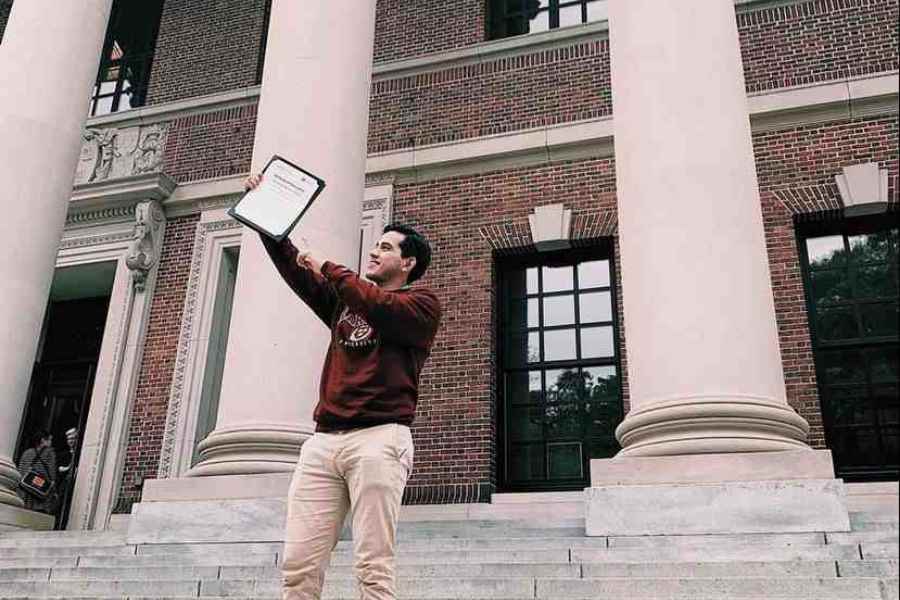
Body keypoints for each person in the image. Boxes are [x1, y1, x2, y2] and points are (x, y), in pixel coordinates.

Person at [245, 174, 442, 600]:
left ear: (407, 263)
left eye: (386, 247)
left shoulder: (420, 305)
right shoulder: (344, 301)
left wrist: (329, 267)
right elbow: (293, 265)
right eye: (376, 245)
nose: (374, 251)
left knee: (373, 566)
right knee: (298, 565)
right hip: (323, 444)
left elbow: (378, 306)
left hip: (379, 440)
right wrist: (264, 211)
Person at [16, 429, 58, 515]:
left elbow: (20, 472)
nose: (51, 442)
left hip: (25, 493)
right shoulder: (49, 452)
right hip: (40, 493)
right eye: (50, 440)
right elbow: (52, 473)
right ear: (43, 440)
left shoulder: (27, 453)